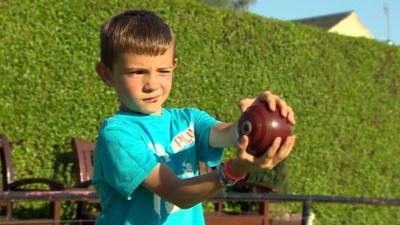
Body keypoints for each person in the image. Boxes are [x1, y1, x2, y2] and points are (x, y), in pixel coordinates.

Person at [92, 9, 296, 225]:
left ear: (174, 66)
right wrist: (235, 170)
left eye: (163, 71)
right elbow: (177, 193)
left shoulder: (189, 119)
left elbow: (230, 134)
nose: (152, 84)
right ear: (106, 74)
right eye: (137, 72)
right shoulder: (118, 135)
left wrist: (257, 119)